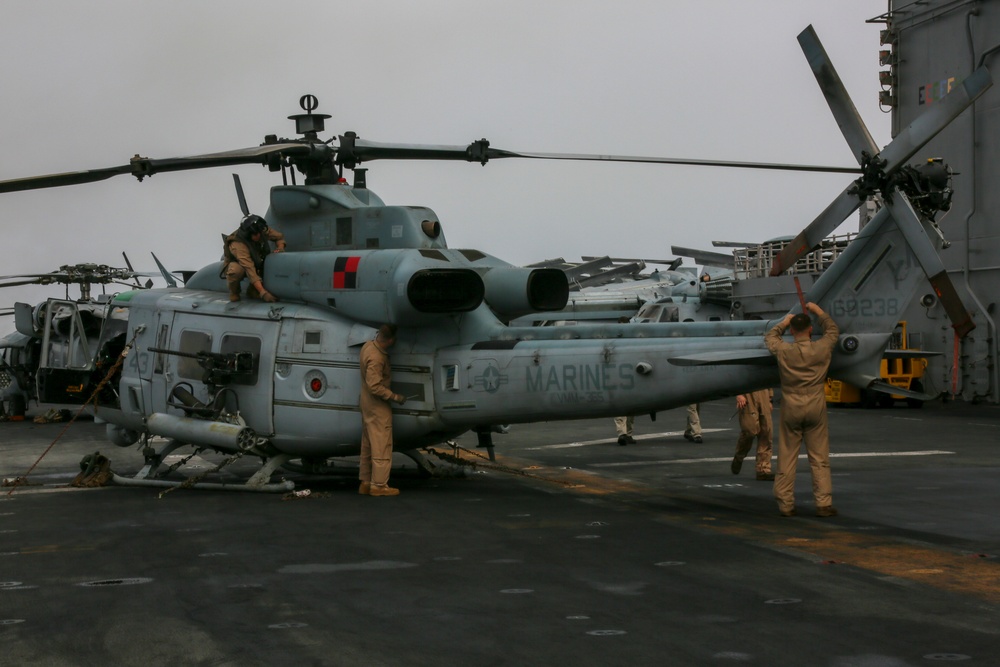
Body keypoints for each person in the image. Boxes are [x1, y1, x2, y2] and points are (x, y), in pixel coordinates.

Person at [765, 302, 839, 517]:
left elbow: (770, 338)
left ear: (791, 331)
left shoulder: (784, 350)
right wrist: (818, 311)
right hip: (815, 405)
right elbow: (833, 330)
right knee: (819, 458)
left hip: (791, 405)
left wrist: (783, 322)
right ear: (810, 330)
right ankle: (823, 503)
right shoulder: (821, 347)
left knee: (787, 457)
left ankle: (785, 504)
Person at [359, 324, 407, 497]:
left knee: (368, 443)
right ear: (391, 340)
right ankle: (379, 485)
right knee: (381, 443)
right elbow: (375, 386)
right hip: (377, 404)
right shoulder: (377, 357)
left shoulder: (367, 346)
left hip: (366, 403)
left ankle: (365, 482)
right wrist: (395, 397)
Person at [223, 214, 286, 303]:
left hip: (256, 259)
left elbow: (279, 237)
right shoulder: (238, 244)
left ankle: (253, 290)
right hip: (240, 264)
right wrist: (263, 293)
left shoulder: (260, 230)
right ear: (248, 234)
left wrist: (280, 247)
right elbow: (249, 268)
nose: (259, 236)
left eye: (259, 233)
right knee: (236, 270)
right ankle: (234, 292)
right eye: (255, 234)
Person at [731, 388, 774, 481]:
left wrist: (770, 399)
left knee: (766, 433)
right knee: (749, 431)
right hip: (748, 395)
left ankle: (763, 469)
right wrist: (739, 394)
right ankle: (739, 455)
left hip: (763, 394)